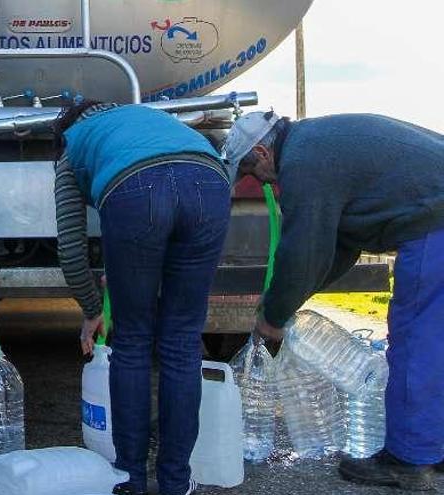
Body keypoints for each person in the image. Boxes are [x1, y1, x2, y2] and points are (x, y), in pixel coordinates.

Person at [225, 111, 444, 491]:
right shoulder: (317, 142)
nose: (260, 182)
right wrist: (287, 302)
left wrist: (273, 317)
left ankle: (409, 461)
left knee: (415, 343)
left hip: (434, 223)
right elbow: (339, 249)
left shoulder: (304, 163)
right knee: (436, 344)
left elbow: (303, 251)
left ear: (262, 152)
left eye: (253, 173)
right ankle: (432, 448)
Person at [53, 102, 232, 495]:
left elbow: (70, 246)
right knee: (183, 343)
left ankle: (130, 479)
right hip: (210, 182)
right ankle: (176, 483)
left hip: (135, 190)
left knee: (132, 342)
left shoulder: (72, 146)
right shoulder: (151, 117)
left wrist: (91, 308)